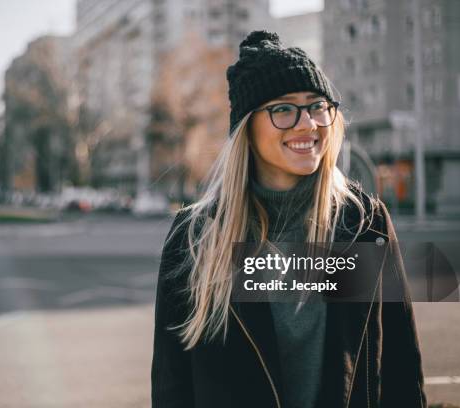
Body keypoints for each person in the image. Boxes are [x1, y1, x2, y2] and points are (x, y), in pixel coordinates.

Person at [151, 31, 426, 407]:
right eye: (283, 108)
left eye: (317, 106)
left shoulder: (363, 223)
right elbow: (172, 383)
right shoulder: (196, 235)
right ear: (247, 126)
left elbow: (400, 367)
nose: (307, 124)